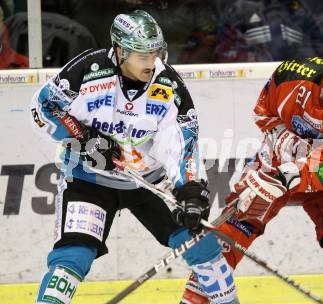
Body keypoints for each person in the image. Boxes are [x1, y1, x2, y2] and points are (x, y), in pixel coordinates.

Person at [31, 10, 239, 304]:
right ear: (120, 51)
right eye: (143, 55)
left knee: (203, 249)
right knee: (72, 257)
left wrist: (190, 191)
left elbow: (182, 143)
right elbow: (42, 109)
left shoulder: (168, 86)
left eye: (156, 53)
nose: (152, 62)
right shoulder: (87, 71)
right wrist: (84, 137)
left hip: (148, 180)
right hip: (88, 178)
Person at [180, 33, 323, 304]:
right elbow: (262, 111)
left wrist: (288, 175)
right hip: (273, 162)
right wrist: (282, 139)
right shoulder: (293, 74)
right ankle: (196, 300)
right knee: (235, 226)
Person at [214, 0, 323, 63]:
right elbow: (225, 50)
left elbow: (322, 48)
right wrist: (252, 61)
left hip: (296, 81)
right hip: (251, 82)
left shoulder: (299, 10)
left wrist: (302, 65)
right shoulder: (240, 8)